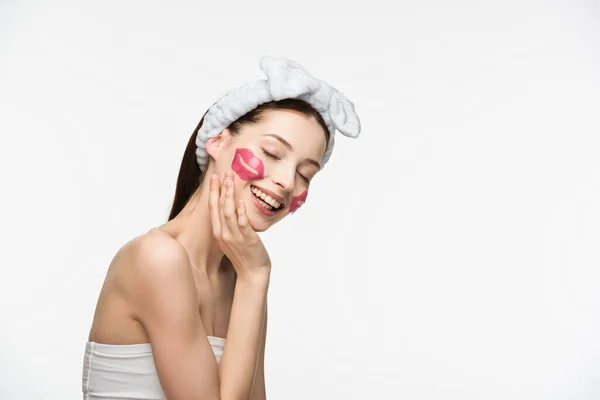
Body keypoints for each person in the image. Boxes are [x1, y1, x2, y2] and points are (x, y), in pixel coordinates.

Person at [82, 56, 361, 400]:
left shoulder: (241, 274)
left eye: (306, 174)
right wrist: (256, 276)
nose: (288, 182)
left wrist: (252, 279)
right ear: (216, 141)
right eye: (273, 152)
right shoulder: (158, 258)